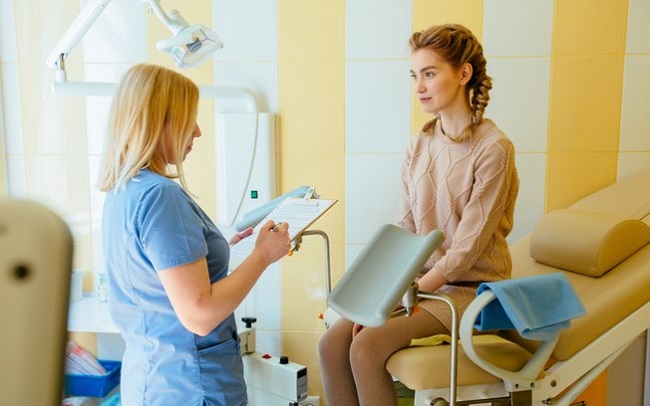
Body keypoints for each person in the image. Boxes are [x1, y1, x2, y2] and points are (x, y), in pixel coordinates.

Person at [318, 23, 519, 405]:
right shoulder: (421, 144)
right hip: (421, 287)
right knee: (332, 344)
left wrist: (397, 299)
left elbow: (466, 250)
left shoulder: (494, 149)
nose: (419, 87)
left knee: (366, 347)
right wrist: (383, 290)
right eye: (415, 76)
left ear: (463, 74)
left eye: (429, 74)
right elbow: (405, 229)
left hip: (468, 292)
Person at [98, 63, 290, 406]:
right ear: (160, 122)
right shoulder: (160, 196)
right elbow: (199, 315)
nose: (198, 132)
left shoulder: (124, 191)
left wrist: (220, 255)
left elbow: (161, 281)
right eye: (191, 119)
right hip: (190, 386)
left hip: (152, 382)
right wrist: (263, 255)